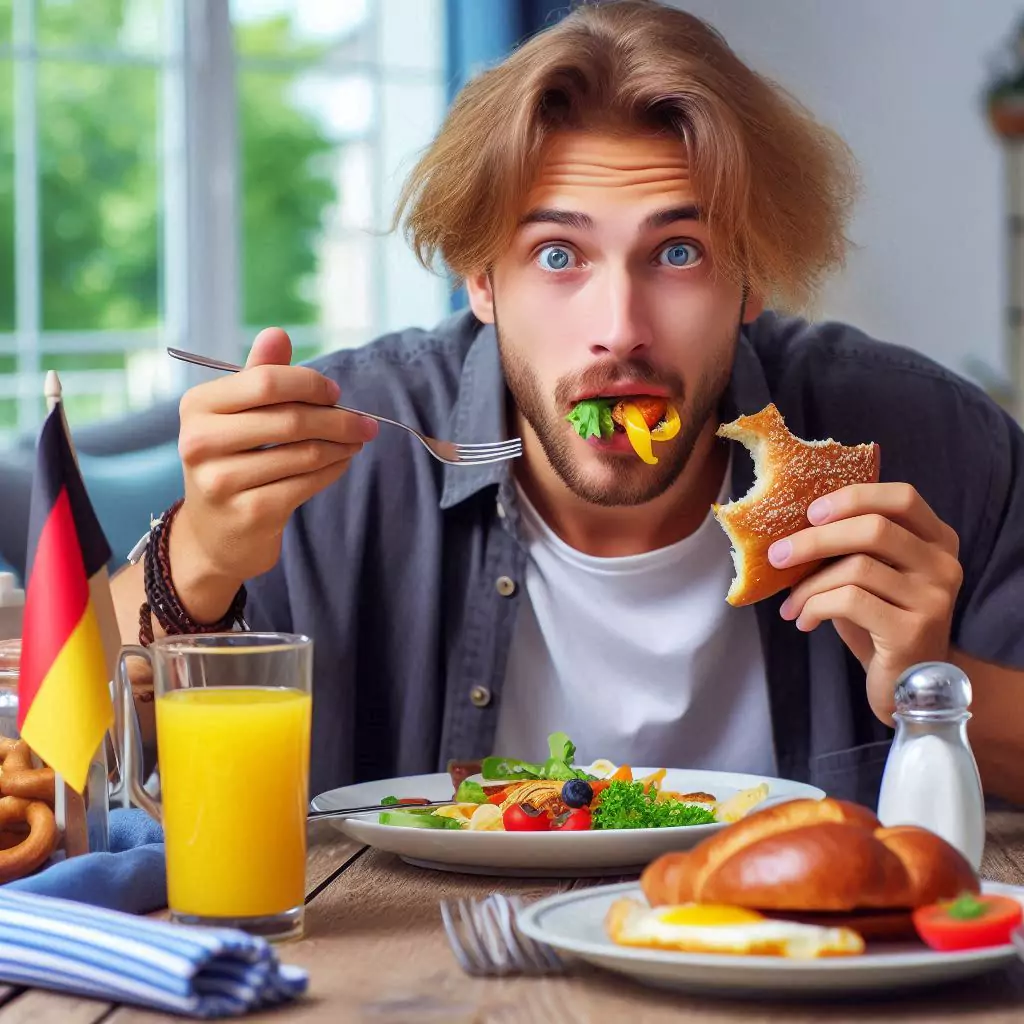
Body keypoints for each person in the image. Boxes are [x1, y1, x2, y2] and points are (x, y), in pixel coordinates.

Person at [112, 0, 1024, 808]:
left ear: (752, 277)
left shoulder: (927, 440)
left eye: (678, 253)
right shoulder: (351, 449)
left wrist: (929, 687)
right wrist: (197, 558)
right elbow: (53, 750)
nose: (619, 329)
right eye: (558, 255)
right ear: (480, 277)